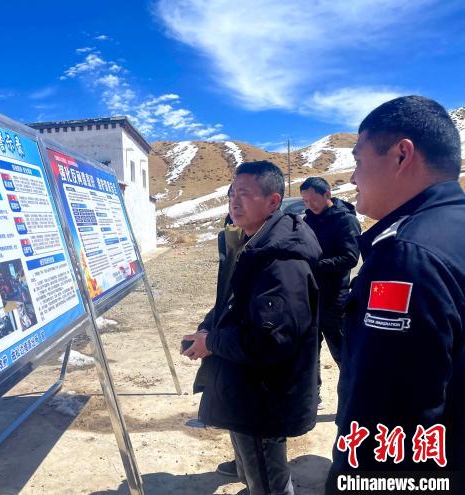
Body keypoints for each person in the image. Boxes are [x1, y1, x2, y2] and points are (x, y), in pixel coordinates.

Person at [327, 96, 465, 491]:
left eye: (358, 161)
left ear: (401, 155)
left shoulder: (406, 258)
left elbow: (387, 422)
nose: (353, 178)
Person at [182, 161, 321, 495]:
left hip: (263, 394)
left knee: (267, 474)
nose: (234, 201)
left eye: (244, 194)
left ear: (273, 202)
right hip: (246, 382)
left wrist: (212, 343)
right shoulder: (251, 243)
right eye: (232, 193)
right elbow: (232, 301)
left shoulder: (280, 262)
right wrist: (206, 330)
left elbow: (269, 341)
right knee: (253, 459)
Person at [300, 177, 361, 406]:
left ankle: (354, 398)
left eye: (313, 200)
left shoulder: (345, 220)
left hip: (335, 298)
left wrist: (316, 265)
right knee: (309, 350)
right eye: (305, 201)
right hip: (310, 296)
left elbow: (350, 258)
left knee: (342, 351)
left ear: (327, 194)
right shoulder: (307, 220)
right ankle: (312, 397)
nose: (310, 205)